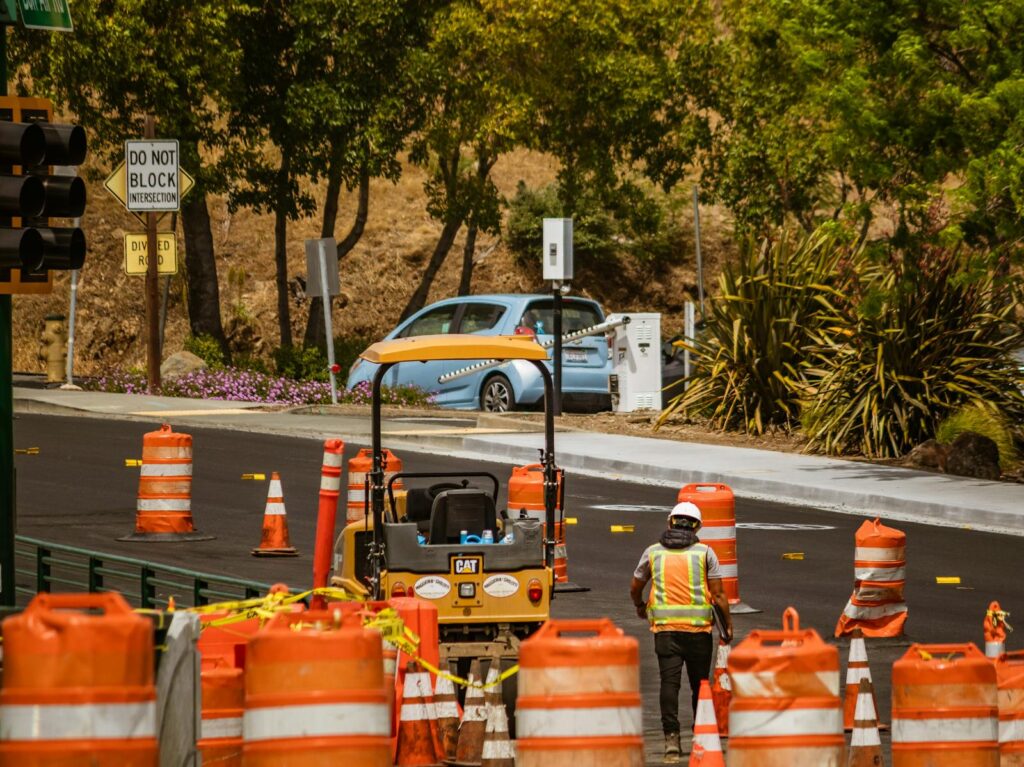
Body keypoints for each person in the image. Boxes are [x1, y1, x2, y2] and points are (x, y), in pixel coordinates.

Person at [630, 501, 733, 764]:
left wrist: (640, 606)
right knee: (700, 686)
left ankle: (671, 743)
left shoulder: (653, 552)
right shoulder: (705, 553)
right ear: (697, 526)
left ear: (670, 522)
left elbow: (635, 585)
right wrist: (728, 626)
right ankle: (702, 737)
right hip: (699, 632)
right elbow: (719, 595)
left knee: (669, 684)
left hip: (665, 632)